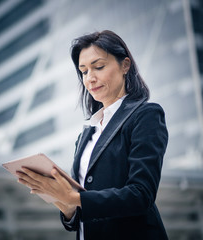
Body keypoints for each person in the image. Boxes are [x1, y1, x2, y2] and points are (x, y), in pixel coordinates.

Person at [16, 30, 169, 240]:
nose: (90, 78)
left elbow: (141, 195)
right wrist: (63, 202)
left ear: (125, 65)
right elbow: (79, 213)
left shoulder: (146, 115)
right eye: (84, 71)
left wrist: (74, 197)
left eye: (98, 67)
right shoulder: (88, 132)